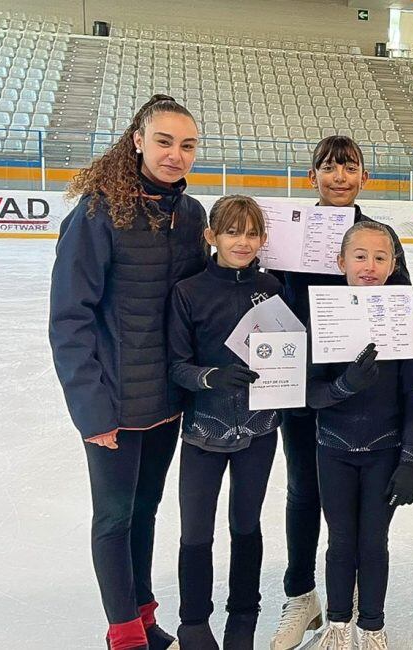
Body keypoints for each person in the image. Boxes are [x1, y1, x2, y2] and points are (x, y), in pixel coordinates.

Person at [49, 94, 207, 650]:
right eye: (164, 141)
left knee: (145, 512)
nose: (176, 155)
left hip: (166, 400)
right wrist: (90, 410)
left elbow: (198, 305)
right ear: (137, 140)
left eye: (187, 145)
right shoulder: (97, 212)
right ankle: (124, 636)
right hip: (113, 402)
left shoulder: (191, 216)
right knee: (114, 519)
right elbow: (70, 318)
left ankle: (143, 617)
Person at [271, 136, 412, 650]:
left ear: (363, 178)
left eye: (348, 167)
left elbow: (402, 309)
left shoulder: (378, 237)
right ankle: (301, 593)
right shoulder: (291, 234)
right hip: (306, 385)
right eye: (328, 168)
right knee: (304, 489)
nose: (338, 177)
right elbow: (273, 300)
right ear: (312, 176)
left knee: (359, 517)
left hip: (367, 397)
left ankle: (349, 600)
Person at [301, 221, 413, 650]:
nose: (369, 266)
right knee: (340, 540)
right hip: (333, 449)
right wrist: (344, 387)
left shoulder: (403, 312)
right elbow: (310, 392)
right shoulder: (323, 312)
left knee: (373, 541)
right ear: (341, 262)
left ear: (393, 264)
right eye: (360, 256)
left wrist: (411, 457)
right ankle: (338, 625)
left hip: (384, 449)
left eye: (379, 257)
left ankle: (372, 626)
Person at [167, 196, 283, 649]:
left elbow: (287, 352)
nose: (243, 241)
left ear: (263, 239)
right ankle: (193, 621)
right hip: (204, 430)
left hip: (259, 428)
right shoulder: (189, 291)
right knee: (196, 529)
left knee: (246, 524)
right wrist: (211, 376)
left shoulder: (272, 287)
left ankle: (243, 617)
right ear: (211, 236)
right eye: (233, 232)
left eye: (252, 233)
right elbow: (176, 365)